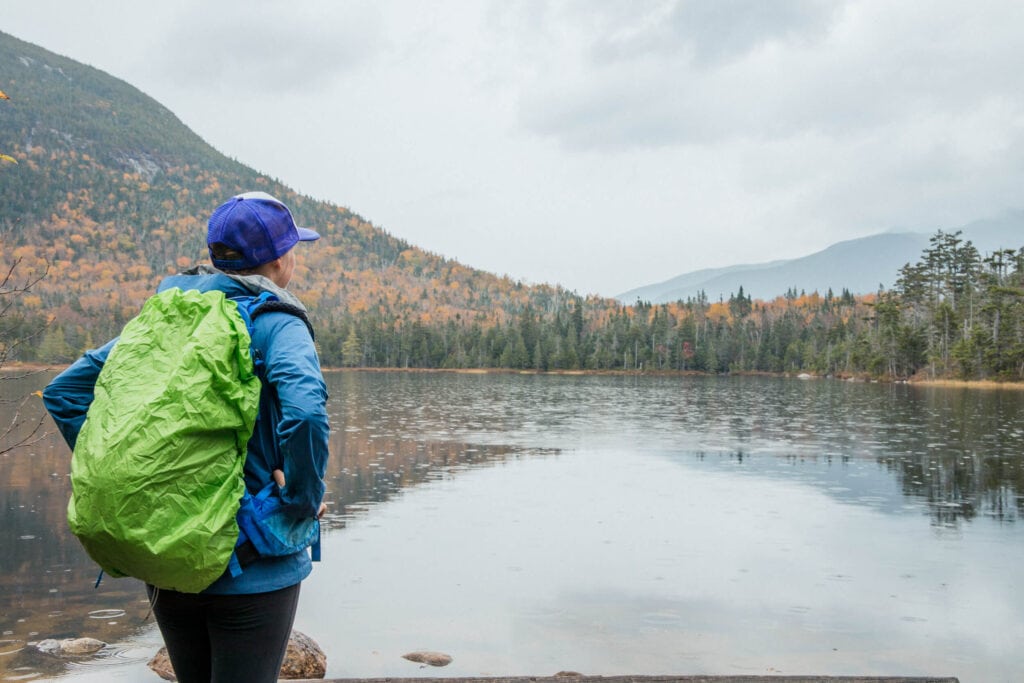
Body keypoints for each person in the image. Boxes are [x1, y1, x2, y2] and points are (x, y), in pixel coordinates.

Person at [43, 191, 331, 683]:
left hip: (165, 551)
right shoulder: (276, 323)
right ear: (281, 260)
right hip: (252, 559)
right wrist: (303, 498)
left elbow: (65, 392)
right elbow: (305, 413)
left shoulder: (166, 317)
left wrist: (140, 473)